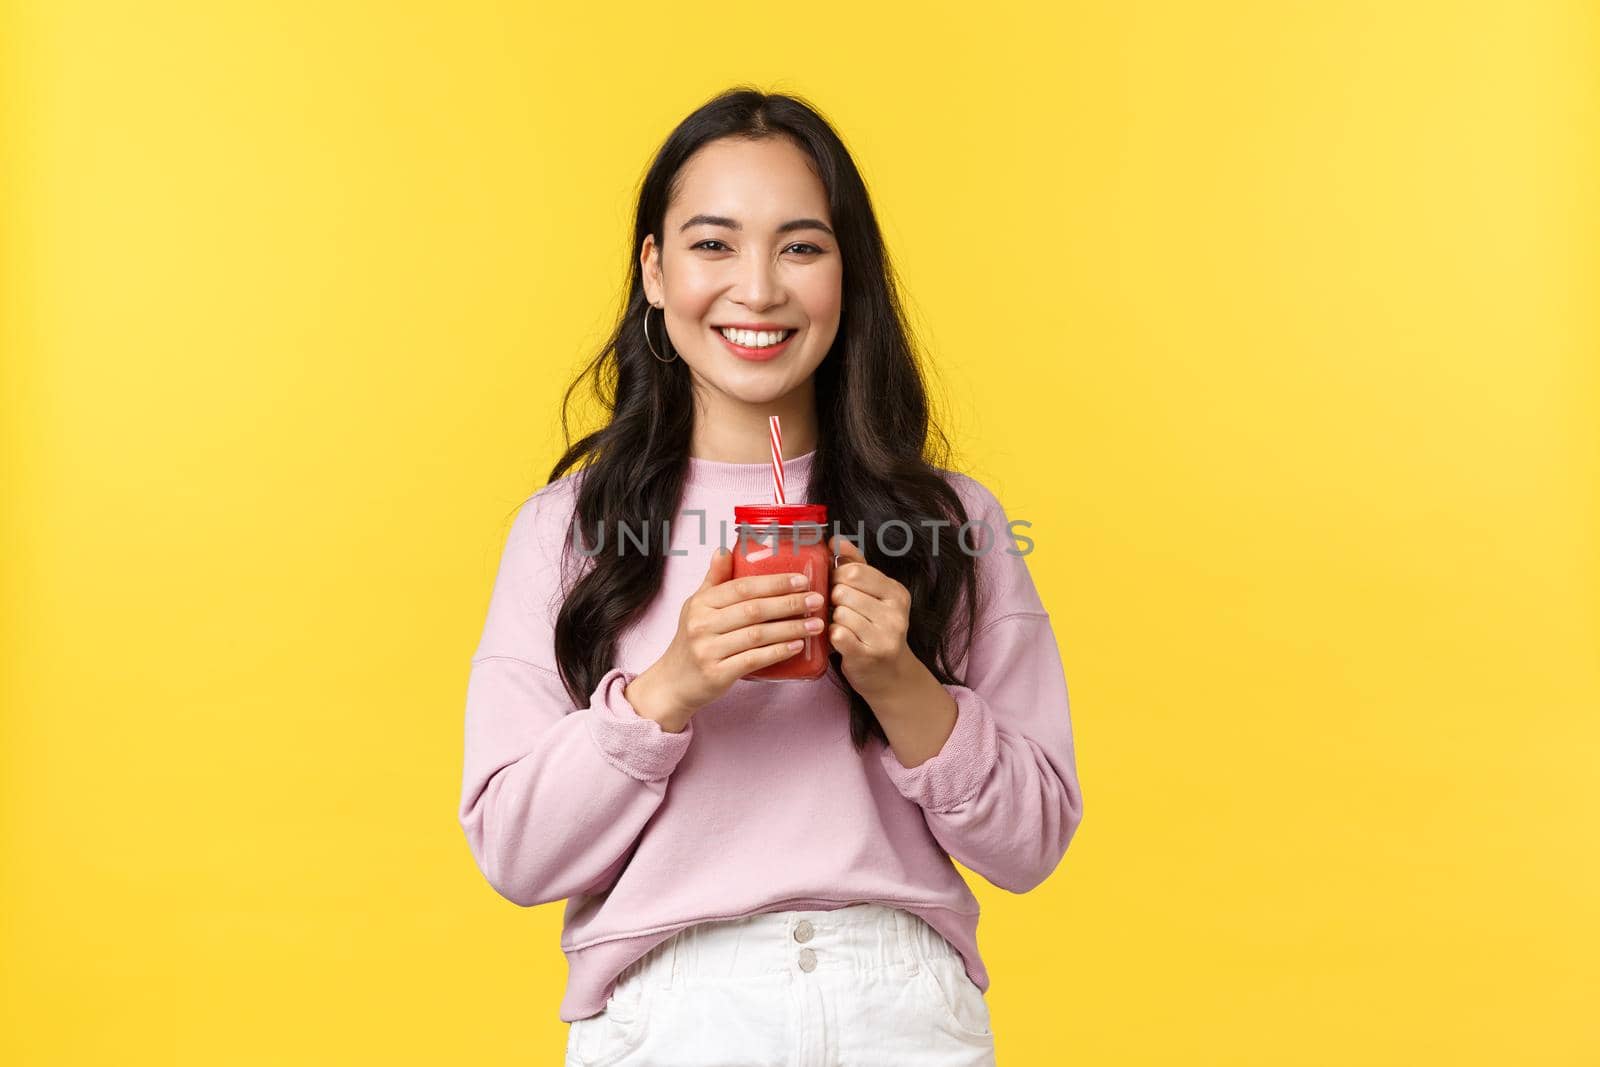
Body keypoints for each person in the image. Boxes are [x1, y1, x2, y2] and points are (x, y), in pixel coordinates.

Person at [457, 86, 1084, 1067]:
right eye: (712, 245)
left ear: (848, 274)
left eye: (800, 245)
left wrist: (901, 685)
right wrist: (667, 688)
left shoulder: (952, 524)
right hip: (668, 1013)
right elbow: (515, 854)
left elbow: (1033, 841)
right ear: (654, 272)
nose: (758, 288)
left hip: (901, 1008)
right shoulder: (567, 530)